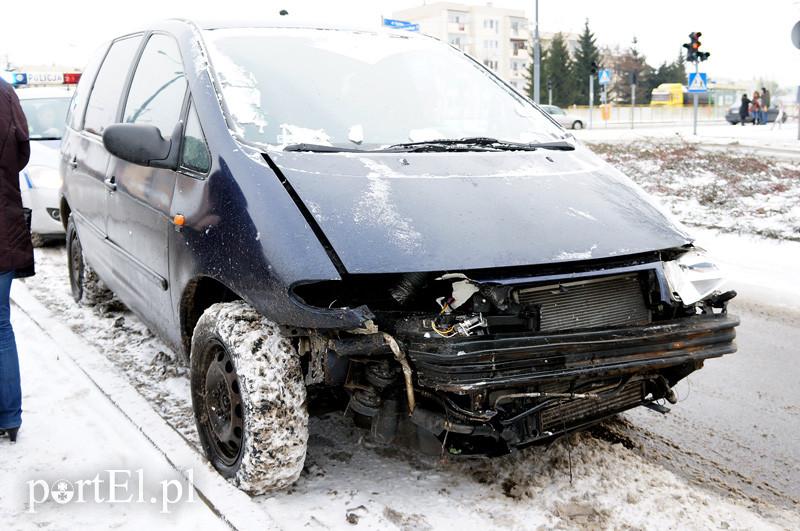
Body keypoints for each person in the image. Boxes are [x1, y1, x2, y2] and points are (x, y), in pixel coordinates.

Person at [0, 76, 33, 443]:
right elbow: (21, 155)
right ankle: (9, 417)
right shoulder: (5, 91)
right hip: (2, 228)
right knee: (0, 326)